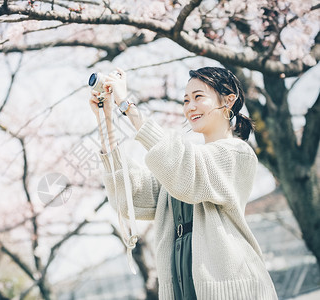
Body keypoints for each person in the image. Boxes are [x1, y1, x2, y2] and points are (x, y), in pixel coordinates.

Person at [88, 67, 278, 300]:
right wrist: (105, 118)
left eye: (198, 97)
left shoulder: (238, 153)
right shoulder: (185, 165)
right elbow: (131, 197)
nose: (190, 107)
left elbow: (186, 168)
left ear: (229, 101)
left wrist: (126, 105)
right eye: (186, 100)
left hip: (233, 289)